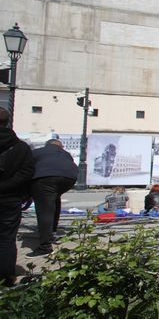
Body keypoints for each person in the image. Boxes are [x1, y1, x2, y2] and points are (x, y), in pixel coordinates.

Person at [0, 107, 34, 286]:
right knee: (6, 237)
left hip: (10, 197)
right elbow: (28, 173)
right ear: (7, 122)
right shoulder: (20, 147)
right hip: (10, 198)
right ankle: (6, 275)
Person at [28, 139, 79, 257]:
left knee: (44, 210)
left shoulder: (38, 151)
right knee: (55, 198)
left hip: (45, 178)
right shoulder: (65, 154)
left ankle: (45, 247)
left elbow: (27, 167)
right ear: (60, 147)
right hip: (69, 178)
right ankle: (52, 231)